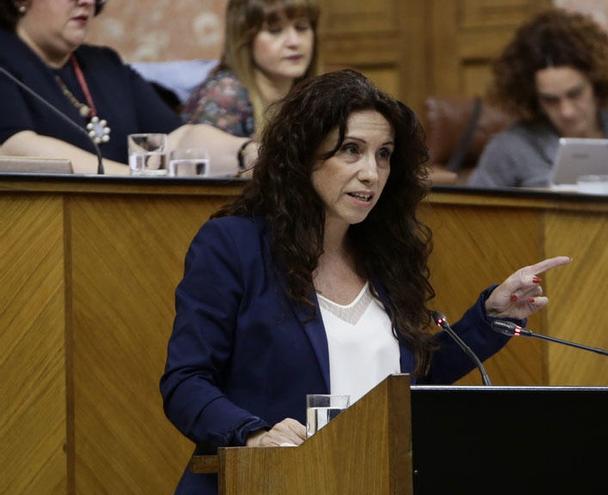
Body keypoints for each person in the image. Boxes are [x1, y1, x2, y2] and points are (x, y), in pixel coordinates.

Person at [160, 69, 570, 494]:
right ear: (303, 155)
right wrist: (252, 434)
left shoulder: (386, 257)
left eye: (384, 154)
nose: (371, 173)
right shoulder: (235, 245)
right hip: (266, 482)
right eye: (351, 151)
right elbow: (186, 381)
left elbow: (410, 387)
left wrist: (492, 317)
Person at [0, 0, 258, 175]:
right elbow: (15, 147)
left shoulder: (105, 64)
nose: (86, 1)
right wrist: (132, 179)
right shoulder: (5, 58)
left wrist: (245, 152)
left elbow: (179, 139)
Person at [468, 8, 608, 198]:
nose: (566, 111)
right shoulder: (511, 148)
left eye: (575, 94)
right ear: (533, 98)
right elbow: (473, 219)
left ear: (596, 83)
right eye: (550, 100)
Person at [181, 0, 318, 139]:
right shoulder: (226, 93)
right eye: (275, 30)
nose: (294, 42)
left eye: (302, 27)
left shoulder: (313, 95)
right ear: (245, 38)